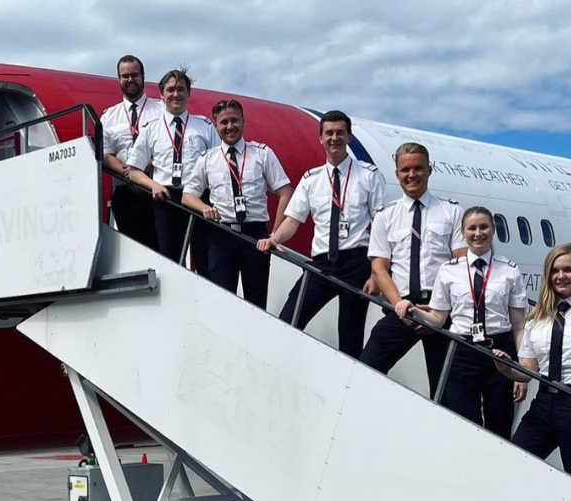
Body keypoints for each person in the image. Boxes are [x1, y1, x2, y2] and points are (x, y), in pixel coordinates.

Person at [256, 110, 386, 359]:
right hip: (322, 265)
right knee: (288, 320)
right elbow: (293, 220)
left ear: (349, 136)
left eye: (340, 133)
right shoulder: (311, 179)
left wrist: (377, 273)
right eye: (329, 133)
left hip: (357, 263)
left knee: (350, 338)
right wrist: (274, 238)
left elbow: (381, 225)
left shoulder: (369, 175)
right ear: (321, 139)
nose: (334, 138)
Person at [493, 243, 571, 486]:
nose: (561, 276)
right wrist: (507, 368)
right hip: (543, 402)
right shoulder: (538, 317)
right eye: (554, 271)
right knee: (513, 464)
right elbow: (528, 371)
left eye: (568, 269)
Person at [403, 206, 528, 437]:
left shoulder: (509, 271)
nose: (478, 233)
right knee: (462, 423)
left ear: (492, 230)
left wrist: (522, 371)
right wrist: (413, 310)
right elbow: (438, 318)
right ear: (463, 232)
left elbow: (519, 326)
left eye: (484, 227)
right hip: (462, 351)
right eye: (472, 228)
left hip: (500, 351)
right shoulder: (449, 271)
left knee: (499, 426)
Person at [358, 142, 467, 397]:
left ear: (429, 169)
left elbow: (461, 265)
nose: (412, 175)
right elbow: (379, 269)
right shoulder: (386, 216)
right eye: (405, 169)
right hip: (402, 308)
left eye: (418, 168)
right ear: (397, 173)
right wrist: (402, 309)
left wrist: (438, 313)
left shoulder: (451, 212)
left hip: (442, 313)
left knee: (448, 396)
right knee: (364, 371)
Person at [182, 99, 293, 308]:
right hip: (222, 236)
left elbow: (285, 192)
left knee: (257, 304)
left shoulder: (262, 153)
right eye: (224, 122)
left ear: (243, 121)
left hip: (256, 236)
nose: (230, 126)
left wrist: (275, 235)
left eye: (234, 120)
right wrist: (205, 207)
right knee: (223, 303)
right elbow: (187, 196)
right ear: (216, 125)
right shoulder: (207, 158)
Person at [127, 68, 219, 272]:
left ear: (189, 93)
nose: (175, 94)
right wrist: (153, 185)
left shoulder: (204, 127)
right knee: (171, 262)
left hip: (199, 199)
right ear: (161, 94)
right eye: (170, 90)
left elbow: (219, 165)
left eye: (180, 89)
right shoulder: (151, 128)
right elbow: (133, 170)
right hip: (166, 199)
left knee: (205, 262)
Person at [101, 55, 163, 249]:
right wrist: (129, 174)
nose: (130, 80)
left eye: (135, 75)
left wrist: (143, 173)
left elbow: (168, 146)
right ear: (119, 79)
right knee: (134, 253)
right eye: (125, 76)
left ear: (143, 77)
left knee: (165, 253)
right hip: (125, 195)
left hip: (157, 192)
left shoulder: (162, 110)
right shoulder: (108, 116)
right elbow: (105, 154)